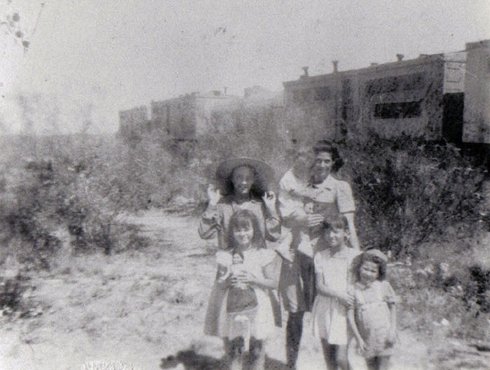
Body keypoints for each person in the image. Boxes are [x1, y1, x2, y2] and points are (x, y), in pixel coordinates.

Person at [278, 140, 359, 369]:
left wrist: (358, 257)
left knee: (329, 314)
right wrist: (300, 218)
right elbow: (282, 215)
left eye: (327, 161)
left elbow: (349, 226)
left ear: (333, 163)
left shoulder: (340, 187)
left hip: (326, 259)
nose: (322, 165)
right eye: (318, 160)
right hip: (296, 255)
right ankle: (290, 365)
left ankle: (334, 366)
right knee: (295, 313)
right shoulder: (298, 184)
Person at [199, 157, 281, 356]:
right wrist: (211, 205)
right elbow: (204, 233)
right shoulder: (223, 205)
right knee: (229, 333)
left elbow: (274, 235)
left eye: (247, 178)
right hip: (229, 271)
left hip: (256, 270)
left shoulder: (261, 204)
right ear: (232, 180)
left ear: (253, 180)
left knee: (257, 333)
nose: (243, 182)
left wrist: (271, 210)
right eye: (238, 178)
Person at [213, 209, 282, 370]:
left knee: (257, 349)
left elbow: (273, 283)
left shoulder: (262, 254)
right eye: (238, 230)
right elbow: (219, 283)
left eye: (246, 229)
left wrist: (253, 280)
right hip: (233, 305)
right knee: (235, 349)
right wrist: (227, 280)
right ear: (232, 232)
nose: (242, 233)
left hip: (258, 306)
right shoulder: (226, 255)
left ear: (254, 230)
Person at [311, 215, 360, 370]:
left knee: (341, 358)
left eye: (336, 231)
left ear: (346, 233)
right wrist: (339, 295)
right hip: (325, 308)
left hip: (344, 311)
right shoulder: (320, 256)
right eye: (327, 232)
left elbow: (359, 283)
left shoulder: (355, 256)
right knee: (329, 357)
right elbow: (319, 286)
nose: (331, 236)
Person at [347, 250, 398, 370]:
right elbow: (351, 317)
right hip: (367, 338)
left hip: (384, 337)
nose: (368, 274)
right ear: (359, 268)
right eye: (365, 269)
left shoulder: (383, 286)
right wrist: (358, 339)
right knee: (371, 367)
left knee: (383, 367)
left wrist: (392, 330)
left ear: (379, 273)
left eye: (373, 271)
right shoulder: (353, 290)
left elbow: (393, 308)